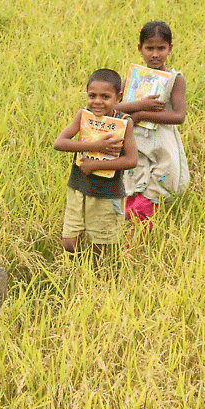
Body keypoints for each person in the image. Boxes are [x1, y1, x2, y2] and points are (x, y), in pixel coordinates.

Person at [53, 69, 138, 258]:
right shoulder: (83, 116)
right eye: (92, 96)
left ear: (118, 98)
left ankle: (96, 278)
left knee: (100, 245)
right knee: (68, 242)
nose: (97, 101)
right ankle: (78, 266)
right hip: (78, 187)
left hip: (107, 193)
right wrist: (96, 145)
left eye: (105, 96)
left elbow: (131, 160)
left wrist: (95, 165)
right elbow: (59, 143)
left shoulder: (124, 122)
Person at [116, 20, 189, 228]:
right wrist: (139, 106)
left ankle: (145, 229)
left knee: (161, 180)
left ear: (170, 49)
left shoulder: (175, 79)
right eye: (149, 48)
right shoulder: (134, 77)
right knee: (135, 180)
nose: (155, 54)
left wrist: (141, 115)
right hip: (135, 141)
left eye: (161, 48)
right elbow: (114, 108)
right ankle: (133, 231)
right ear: (140, 49)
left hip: (163, 142)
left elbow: (179, 116)